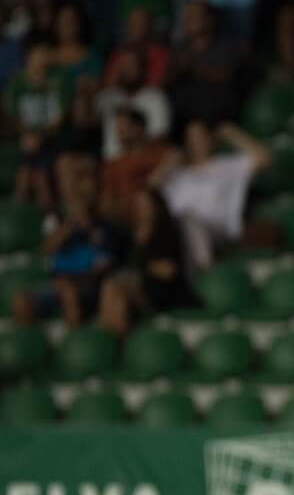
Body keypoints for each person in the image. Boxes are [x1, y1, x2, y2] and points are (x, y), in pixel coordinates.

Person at [12, 155, 125, 327]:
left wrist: (71, 282)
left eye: (88, 184)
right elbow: (47, 249)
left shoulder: (107, 227)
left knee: (69, 295)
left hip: (87, 287)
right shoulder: (59, 221)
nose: (83, 190)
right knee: (20, 301)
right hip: (57, 284)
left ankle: (75, 346)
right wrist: (70, 225)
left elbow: (102, 268)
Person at [152, 120, 271, 270]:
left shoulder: (226, 165)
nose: (196, 142)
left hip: (216, 229)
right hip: (177, 235)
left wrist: (232, 134)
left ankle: (205, 271)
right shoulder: (179, 175)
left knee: (189, 220)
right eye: (191, 138)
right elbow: (151, 189)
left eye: (201, 136)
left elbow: (264, 159)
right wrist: (167, 164)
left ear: (211, 138)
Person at [99, 188, 187, 336]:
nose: (141, 209)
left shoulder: (167, 233)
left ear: (156, 207)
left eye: (145, 204)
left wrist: (142, 267)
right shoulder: (130, 233)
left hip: (162, 291)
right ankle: (113, 340)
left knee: (117, 288)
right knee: (112, 290)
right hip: (137, 286)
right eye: (139, 205)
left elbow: (168, 271)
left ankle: (118, 343)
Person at [4, 39, 65, 209]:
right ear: (29, 56)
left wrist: (39, 136)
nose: (46, 56)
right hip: (26, 143)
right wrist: (26, 135)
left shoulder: (57, 81)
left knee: (37, 174)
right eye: (41, 52)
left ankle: (46, 215)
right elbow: (11, 118)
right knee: (30, 174)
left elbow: (59, 120)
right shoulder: (17, 83)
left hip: (52, 141)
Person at [96, 46, 171, 159]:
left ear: (141, 68)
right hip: (111, 164)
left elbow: (160, 138)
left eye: (132, 64)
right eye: (123, 64)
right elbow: (85, 121)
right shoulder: (108, 97)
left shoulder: (155, 97)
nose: (127, 69)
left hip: (143, 162)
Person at [100, 108, 172, 225]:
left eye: (122, 128)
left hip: (159, 216)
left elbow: (177, 157)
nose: (118, 132)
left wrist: (155, 178)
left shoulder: (158, 152)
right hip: (125, 222)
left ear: (138, 128)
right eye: (117, 128)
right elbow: (106, 204)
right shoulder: (113, 165)